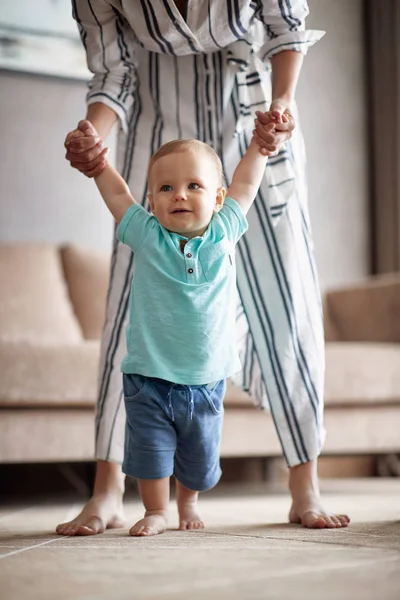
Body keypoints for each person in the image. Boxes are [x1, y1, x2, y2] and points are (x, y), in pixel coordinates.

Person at [57, 1, 350, 536]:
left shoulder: (229, 203)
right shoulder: (149, 209)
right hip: (156, 125)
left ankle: (305, 482)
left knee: (289, 299)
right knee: (127, 297)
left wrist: (279, 110)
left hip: (255, 124)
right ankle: (108, 489)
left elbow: (287, 27)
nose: (182, 199)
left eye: (196, 194)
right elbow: (113, 68)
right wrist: (93, 141)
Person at [65, 122, 275, 536]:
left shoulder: (225, 230)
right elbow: (117, 195)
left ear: (217, 199)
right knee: (151, 452)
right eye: (165, 189)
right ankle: (156, 510)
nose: (179, 194)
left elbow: (247, 184)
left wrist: (260, 148)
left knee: (198, 457)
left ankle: (189, 501)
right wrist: (98, 168)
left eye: (193, 185)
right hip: (149, 376)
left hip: (207, 378)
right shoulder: (146, 234)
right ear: (152, 202)